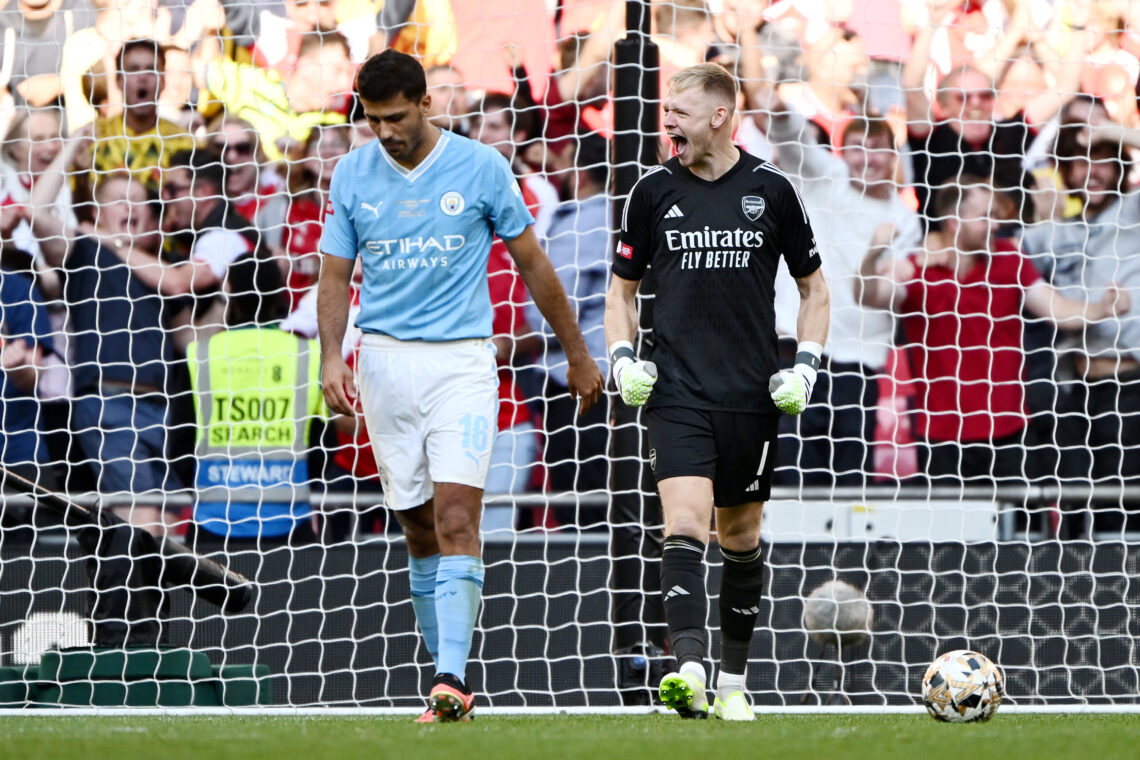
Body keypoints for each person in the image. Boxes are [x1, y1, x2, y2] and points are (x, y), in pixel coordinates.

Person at [317, 49, 604, 722]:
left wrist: (577, 353)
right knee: (417, 528)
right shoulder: (352, 173)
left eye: (395, 117)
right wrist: (334, 358)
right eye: (372, 118)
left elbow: (533, 263)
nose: (384, 131)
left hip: (463, 364)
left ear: (425, 103)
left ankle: (451, 677)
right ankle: (444, 671)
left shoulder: (480, 167)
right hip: (385, 364)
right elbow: (334, 275)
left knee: (455, 520)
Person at [604, 63, 830, 721]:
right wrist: (622, 359)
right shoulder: (651, 192)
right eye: (665, 109)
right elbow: (620, 293)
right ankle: (691, 669)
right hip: (675, 391)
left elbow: (816, 289)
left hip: (752, 395)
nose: (667, 120)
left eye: (679, 110)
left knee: (740, 537)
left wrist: (806, 366)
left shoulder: (772, 190)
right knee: (682, 524)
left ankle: (732, 681)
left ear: (720, 116)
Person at [857, 178, 1130, 488]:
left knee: (1018, 533)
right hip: (942, 436)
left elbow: (1057, 310)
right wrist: (872, 255)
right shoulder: (919, 268)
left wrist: (1102, 308)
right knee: (952, 534)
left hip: (1010, 431)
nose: (996, 224)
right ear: (954, 223)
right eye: (985, 216)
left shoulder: (1009, 259)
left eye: (995, 215)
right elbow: (867, 295)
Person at [765, 101, 923, 486]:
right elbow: (791, 140)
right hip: (796, 347)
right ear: (842, 152)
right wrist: (782, 109)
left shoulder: (905, 220)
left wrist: (876, 253)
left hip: (857, 361)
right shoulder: (826, 179)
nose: (867, 159)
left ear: (893, 155)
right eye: (856, 147)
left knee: (847, 473)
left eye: (877, 149)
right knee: (790, 466)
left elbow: (886, 292)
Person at [1022, 124, 1140, 533]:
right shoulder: (1047, 231)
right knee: (1075, 508)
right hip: (1069, 389)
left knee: (1120, 509)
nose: (1092, 171)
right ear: (1065, 171)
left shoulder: (1132, 212)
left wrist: (1108, 129)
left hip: (1126, 387)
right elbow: (981, 240)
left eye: (1103, 160)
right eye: (1080, 161)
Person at [186, 252, 324, 549]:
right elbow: (324, 445)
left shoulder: (200, 354)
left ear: (230, 293)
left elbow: (179, 442)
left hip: (212, 525)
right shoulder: (308, 355)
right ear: (279, 295)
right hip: (289, 523)